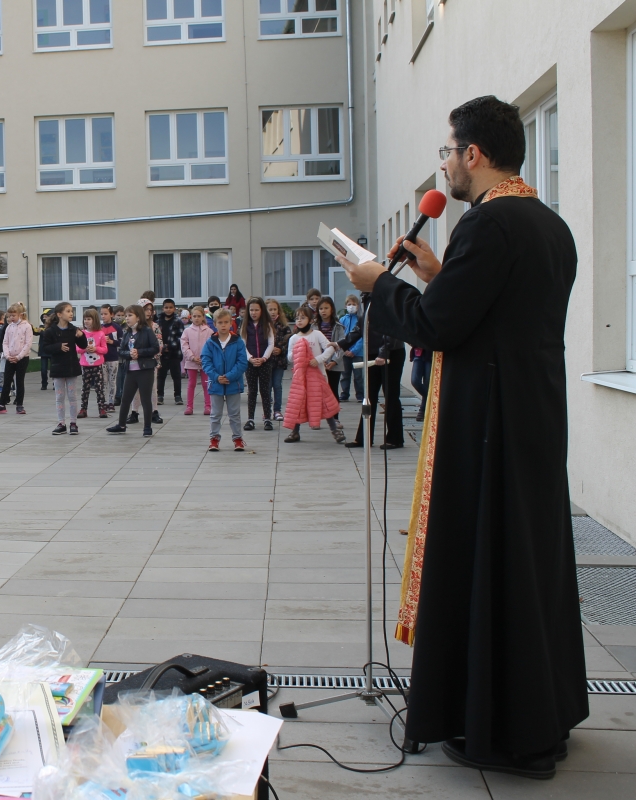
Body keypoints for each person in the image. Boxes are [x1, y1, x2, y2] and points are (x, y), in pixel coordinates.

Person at [338, 96, 587, 778]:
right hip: (533, 416)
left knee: (490, 562)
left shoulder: (488, 223)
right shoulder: (547, 223)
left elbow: (439, 328)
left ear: (474, 154)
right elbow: (498, 312)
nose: (445, 164)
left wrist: (377, 285)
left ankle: (506, 732)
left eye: (449, 151)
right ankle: (542, 710)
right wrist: (437, 277)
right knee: (528, 564)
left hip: (489, 425)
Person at [338, 297, 405, 450]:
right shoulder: (365, 299)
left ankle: (395, 438)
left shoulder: (385, 296)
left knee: (390, 395)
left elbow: (391, 328)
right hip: (372, 351)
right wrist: (340, 344)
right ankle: (364, 438)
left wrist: (383, 352)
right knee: (369, 396)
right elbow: (359, 328)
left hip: (391, 351)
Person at [282, 304, 343, 444]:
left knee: (324, 402)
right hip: (300, 377)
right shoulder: (294, 338)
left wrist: (318, 359)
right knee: (299, 402)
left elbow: (330, 348)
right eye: (297, 318)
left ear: (310, 320)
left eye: (303, 317)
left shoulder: (317, 334)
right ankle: (295, 432)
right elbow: (290, 357)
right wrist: (299, 352)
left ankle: (335, 430)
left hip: (318, 375)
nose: (299, 320)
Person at [106, 305, 158, 437]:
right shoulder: (127, 333)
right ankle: (121, 425)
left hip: (145, 370)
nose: (127, 318)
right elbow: (121, 351)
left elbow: (155, 348)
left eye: (130, 315)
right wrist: (129, 354)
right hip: (130, 370)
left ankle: (147, 427)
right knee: (125, 399)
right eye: (126, 316)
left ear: (138, 317)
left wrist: (139, 352)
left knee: (145, 399)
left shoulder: (147, 331)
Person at [201, 307, 248, 452]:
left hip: (233, 383)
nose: (223, 325)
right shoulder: (210, 342)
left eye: (226, 322)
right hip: (216, 384)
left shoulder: (238, 341)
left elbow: (242, 362)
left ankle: (238, 439)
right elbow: (206, 361)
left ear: (231, 323)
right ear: (215, 324)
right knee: (215, 414)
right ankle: (214, 439)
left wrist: (229, 376)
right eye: (220, 322)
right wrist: (216, 377)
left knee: (234, 414)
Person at [39, 302, 87, 436]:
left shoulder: (73, 330)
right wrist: (58, 346)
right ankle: (61, 423)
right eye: (68, 311)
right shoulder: (50, 331)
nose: (71, 313)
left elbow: (83, 345)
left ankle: (73, 423)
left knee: (72, 396)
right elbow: (45, 348)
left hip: (71, 367)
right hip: (58, 368)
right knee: (59, 397)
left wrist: (81, 336)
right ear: (59, 314)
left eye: (72, 311)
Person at [0, 303, 32, 416]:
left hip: (22, 358)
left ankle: (19, 404)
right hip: (10, 358)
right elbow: (5, 342)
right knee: (7, 381)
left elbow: (28, 344)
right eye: (9, 316)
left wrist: (18, 357)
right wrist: (7, 356)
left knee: (19, 381)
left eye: (13, 315)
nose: (11, 318)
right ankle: (1, 404)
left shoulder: (27, 326)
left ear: (20, 315)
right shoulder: (9, 327)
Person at [241, 297, 275, 432]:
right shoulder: (245, 325)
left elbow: (271, 344)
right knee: (252, 391)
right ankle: (250, 419)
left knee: (265, 391)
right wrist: (250, 358)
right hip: (250, 363)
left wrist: (264, 358)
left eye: (256, 310)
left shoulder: (267, 325)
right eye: (251, 310)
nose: (253, 313)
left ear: (262, 310)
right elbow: (242, 345)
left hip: (265, 363)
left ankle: (267, 418)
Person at [315, 296, 347, 426]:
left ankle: (335, 418)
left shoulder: (339, 326)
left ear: (332, 309)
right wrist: (320, 360)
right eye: (321, 308)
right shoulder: (314, 326)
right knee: (317, 392)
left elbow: (342, 345)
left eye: (326, 308)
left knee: (333, 390)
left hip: (334, 364)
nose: (323, 311)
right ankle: (316, 419)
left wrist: (334, 361)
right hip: (318, 363)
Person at [76, 308, 109, 419]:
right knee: (85, 388)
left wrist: (96, 349)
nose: (86, 321)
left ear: (94, 320)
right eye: (85, 319)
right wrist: (84, 349)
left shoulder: (100, 334)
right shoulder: (82, 334)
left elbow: (105, 349)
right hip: (85, 365)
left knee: (99, 387)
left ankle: (102, 408)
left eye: (89, 319)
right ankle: (83, 409)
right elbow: (77, 349)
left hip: (97, 365)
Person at [179, 306, 211, 417]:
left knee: (206, 384)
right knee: (191, 384)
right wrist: (192, 357)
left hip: (205, 362)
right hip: (191, 361)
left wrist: (205, 358)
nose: (196, 318)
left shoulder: (209, 331)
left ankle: (208, 406)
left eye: (199, 316)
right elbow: (184, 346)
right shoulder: (187, 331)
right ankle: (189, 406)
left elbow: (211, 346)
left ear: (203, 317)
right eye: (194, 316)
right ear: (191, 317)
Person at [155, 299, 185, 405]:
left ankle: (178, 396)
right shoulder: (158, 322)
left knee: (176, 376)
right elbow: (156, 337)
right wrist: (162, 347)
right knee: (161, 376)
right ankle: (160, 395)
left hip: (174, 353)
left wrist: (171, 346)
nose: (168, 309)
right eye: (166, 307)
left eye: (171, 307)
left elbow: (181, 337)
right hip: (162, 354)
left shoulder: (178, 322)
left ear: (174, 309)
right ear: (163, 308)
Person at [266, 299, 290, 421]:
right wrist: (269, 350)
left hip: (279, 361)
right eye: (270, 309)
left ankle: (277, 410)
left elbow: (289, 342)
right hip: (267, 361)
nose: (273, 312)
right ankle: (267, 411)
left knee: (277, 385)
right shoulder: (263, 326)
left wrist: (281, 349)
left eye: (275, 309)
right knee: (267, 386)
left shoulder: (284, 326)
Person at [338, 295, 365, 402]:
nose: (351, 306)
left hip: (358, 353)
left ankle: (360, 395)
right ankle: (344, 394)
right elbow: (341, 335)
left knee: (358, 376)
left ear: (358, 306)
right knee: (345, 375)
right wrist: (344, 349)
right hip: (345, 353)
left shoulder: (360, 319)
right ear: (345, 306)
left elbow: (362, 337)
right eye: (349, 304)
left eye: (354, 304)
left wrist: (354, 350)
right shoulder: (342, 320)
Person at [99, 305, 120, 412]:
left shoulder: (116, 327)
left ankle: (111, 402)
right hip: (102, 358)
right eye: (101, 314)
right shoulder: (99, 328)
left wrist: (111, 341)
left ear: (111, 314)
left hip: (113, 358)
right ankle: (104, 402)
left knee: (112, 381)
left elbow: (122, 342)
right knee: (103, 381)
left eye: (105, 314)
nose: (103, 316)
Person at [410, 344, 432, 422]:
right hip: (418, 353)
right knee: (415, 381)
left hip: (431, 353)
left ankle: (422, 409)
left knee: (427, 383)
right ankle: (433, 401)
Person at [34, 311, 50, 390]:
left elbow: (48, 335)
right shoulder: (41, 326)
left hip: (52, 350)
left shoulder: (53, 327)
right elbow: (35, 332)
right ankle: (44, 384)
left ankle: (55, 383)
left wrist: (42, 332)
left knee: (54, 369)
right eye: (43, 316)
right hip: (43, 351)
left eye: (46, 316)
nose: (44, 318)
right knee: (43, 369)